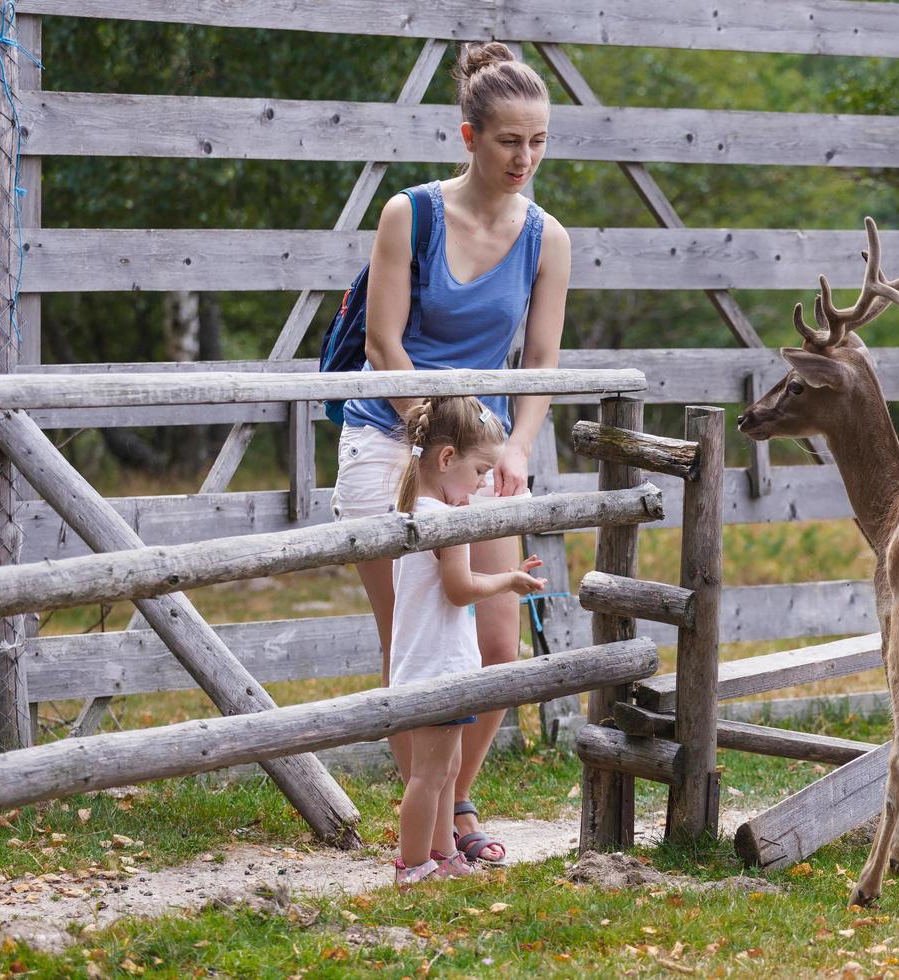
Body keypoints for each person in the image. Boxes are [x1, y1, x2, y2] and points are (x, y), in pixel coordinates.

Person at [330, 40, 569, 865]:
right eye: (510, 140)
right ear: (469, 136)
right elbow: (382, 341)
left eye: (538, 141)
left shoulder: (547, 237)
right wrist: (433, 430)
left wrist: (519, 447)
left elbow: (540, 360)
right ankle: (430, 839)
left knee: (497, 645)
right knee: (417, 651)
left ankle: (453, 805)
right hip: (391, 441)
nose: (525, 157)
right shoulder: (412, 213)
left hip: (479, 453)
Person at [388, 397, 547, 886]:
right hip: (436, 665)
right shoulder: (447, 520)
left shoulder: (420, 507)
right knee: (430, 775)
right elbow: (460, 591)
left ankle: (442, 852)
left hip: (430, 660)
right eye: (479, 470)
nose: (482, 483)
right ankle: (412, 864)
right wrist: (508, 581)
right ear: (446, 458)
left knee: (445, 768)